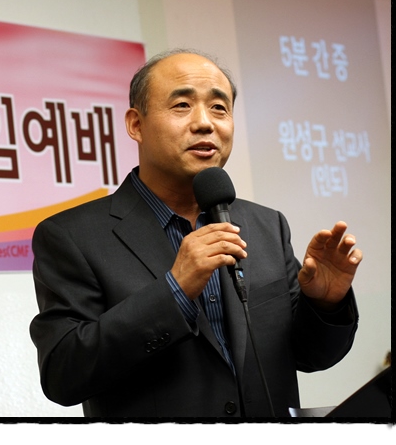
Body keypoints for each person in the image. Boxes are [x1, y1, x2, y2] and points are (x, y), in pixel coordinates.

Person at [29, 49, 361, 418]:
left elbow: (310, 355)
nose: (205, 123)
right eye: (182, 105)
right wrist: (174, 291)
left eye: (219, 108)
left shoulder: (266, 225)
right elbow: (63, 374)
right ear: (136, 125)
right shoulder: (72, 236)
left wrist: (325, 304)